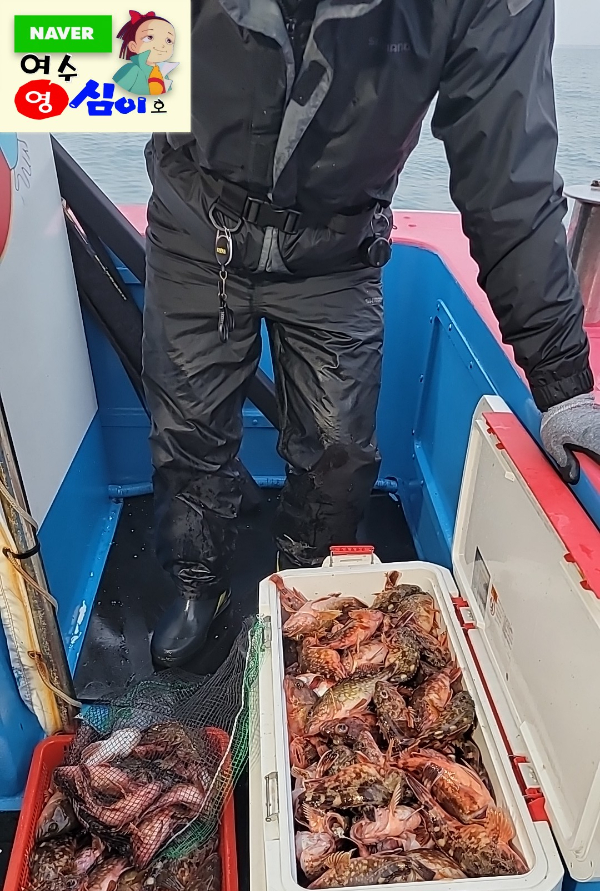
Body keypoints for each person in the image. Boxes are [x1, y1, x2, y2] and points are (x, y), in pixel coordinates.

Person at [143, 0, 600, 668]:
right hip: (196, 229)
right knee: (187, 431)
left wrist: (562, 382)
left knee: (340, 452)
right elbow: (79, 52)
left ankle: (306, 590)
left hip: (337, 248)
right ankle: (197, 584)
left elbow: (508, 180)